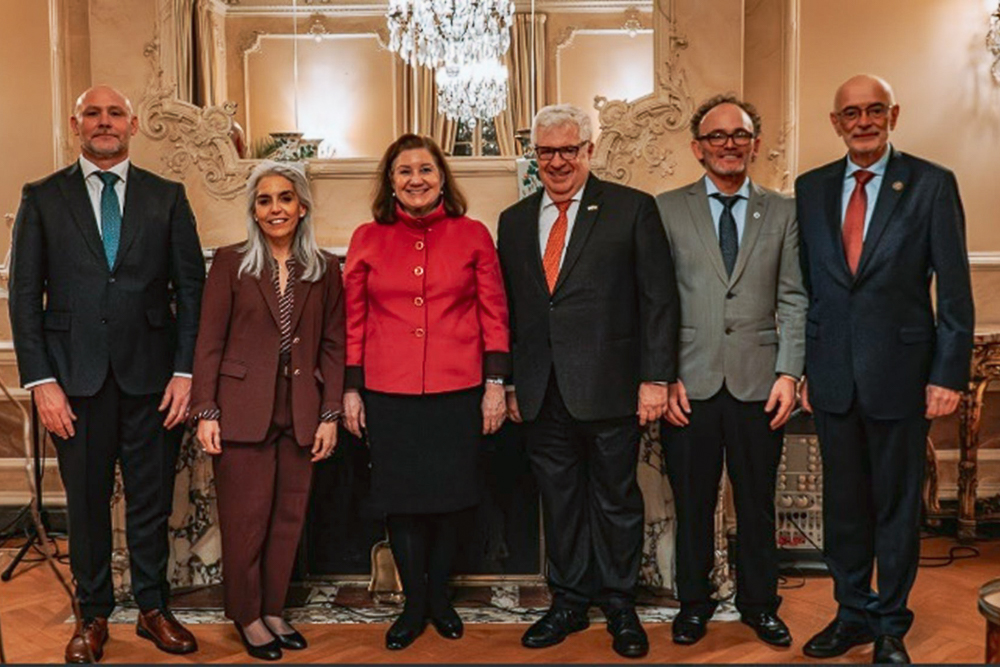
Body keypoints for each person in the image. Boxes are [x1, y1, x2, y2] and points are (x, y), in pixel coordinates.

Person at [8, 85, 204, 663]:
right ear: (76, 125)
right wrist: (41, 381)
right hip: (74, 384)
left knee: (150, 503)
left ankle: (151, 608)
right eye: (92, 113)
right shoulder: (42, 197)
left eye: (114, 113)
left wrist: (185, 371)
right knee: (88, 506)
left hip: (154, 382)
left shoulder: (167, 197)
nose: (104, 122)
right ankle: (91, 616)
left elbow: (191, 290)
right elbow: (24, 297)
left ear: (133, 125)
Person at [796, 74, 974, 665]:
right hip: (832, 379)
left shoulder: (930, 185)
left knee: (897, 508)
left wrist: (948, 377)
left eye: (875, 110)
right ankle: (851, 614)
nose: (864, 121)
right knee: (843, 506)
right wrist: (799, 370)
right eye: (852, 112)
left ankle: (891, 624)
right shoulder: (811, 188)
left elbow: (954, 294)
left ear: (892, 115)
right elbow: (805, 290)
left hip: (902, 376)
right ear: (836, 122)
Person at [496, 104, 679, 659]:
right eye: (546, 151)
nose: (557, 161)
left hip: (611, 386)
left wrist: (655, 379)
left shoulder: (631, 209)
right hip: (540, 389)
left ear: (589, 152)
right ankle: (569, 602)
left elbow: (658, 301)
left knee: (617, 500)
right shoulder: (513, 219)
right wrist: (506, 384)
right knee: (561, 501)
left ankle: (620, 605)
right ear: (535, 155)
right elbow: (509, 311)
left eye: (568, 150)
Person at [341, 134, 510, 651]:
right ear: (390, 181)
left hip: (457, 390)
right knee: (403, 503)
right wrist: (352, 390)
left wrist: (495, 385)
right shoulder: (367, 237)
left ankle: (441, 599)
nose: (416, 179)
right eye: (404, 171)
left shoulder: (474, 234)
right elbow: (353, 320)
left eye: (426, 170)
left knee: (452, 500)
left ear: (442, 178)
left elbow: (494, 314)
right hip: (388, 392)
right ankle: (414, 606)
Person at [655, 95, 806, 648]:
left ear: (754, 145)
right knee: (692, 504)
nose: (728, 144)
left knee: (757, 502)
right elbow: (657, 304)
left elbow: (793, 298)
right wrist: (661, 375)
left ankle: (760, 604)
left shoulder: (784, 211)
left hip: (759, 382)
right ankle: (694, 603)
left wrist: (790, 372)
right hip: (686, 385)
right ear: (697, 148)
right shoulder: (666, 209)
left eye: (739, 135)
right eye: (716, 136)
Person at [190, 160, 345, 661]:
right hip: (240, 410)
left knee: (287, 519)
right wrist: (206, 410)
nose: (274, 208)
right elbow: (209, 342)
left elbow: (333, 347)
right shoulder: (231, 263)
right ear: (254, 211)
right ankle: (248, 616)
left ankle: (274, 609)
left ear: (302, 207)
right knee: (245, 521)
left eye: (284, 199)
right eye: (264, 200)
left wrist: (329, 415)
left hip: (300, 410)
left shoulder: (324, 268)